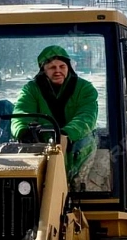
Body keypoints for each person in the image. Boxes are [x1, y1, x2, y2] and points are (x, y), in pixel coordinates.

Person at [11, 45, 98, 191]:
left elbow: (87, 116)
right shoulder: (31, 90)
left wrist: (67, 133)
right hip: (43, 146)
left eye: (62, 66)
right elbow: (22, 112)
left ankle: (77, 188)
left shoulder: (85, 89)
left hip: (77, 143)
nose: (58, 70)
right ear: (43, 69)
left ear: (68, 67)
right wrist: (22, 130)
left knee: (84, 145)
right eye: (52, 67)